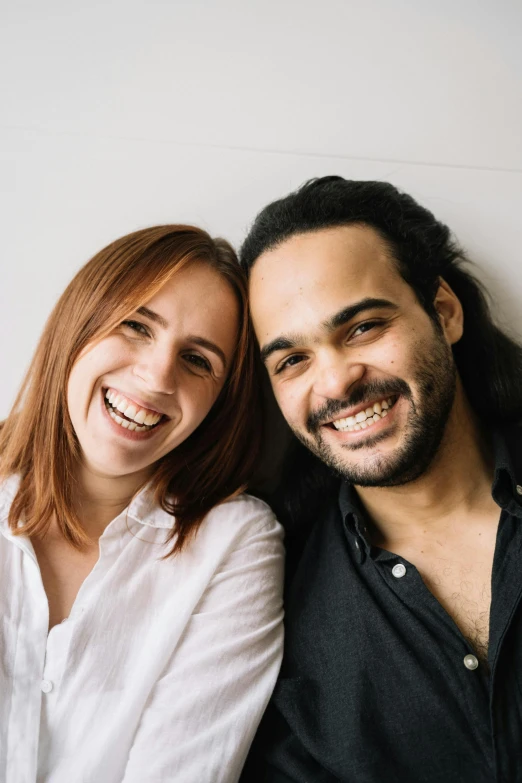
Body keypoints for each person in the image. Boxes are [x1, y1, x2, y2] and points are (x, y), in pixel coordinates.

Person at [239, 177, 522, 782]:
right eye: (292, 360)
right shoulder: (271, 617)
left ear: (443, 311)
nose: (336, 383)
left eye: (363, 327)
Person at [0, 225, 284, 783]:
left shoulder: (233, 544)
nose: (156, 377)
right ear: (78, 322)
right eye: (136, 326)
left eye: (199, 360)